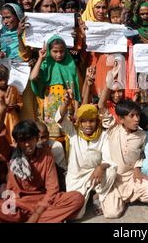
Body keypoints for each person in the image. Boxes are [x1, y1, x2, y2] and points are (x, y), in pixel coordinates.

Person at [0, 120, 84, 223]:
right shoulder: (11, 153)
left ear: (36, 138)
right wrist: (2, 112)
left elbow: (52, 190)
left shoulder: (46, 155)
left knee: (77, 198)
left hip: (42, 203)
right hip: (17, 204)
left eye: (30, 139)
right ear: (17, 142)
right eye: (22, 141)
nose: (27, 144)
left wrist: (37, 214)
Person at [97, 62, 148, 218]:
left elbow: (141, 155)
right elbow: (101, 105)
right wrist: (108, 83)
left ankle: (123, 198)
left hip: (131, 177)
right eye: (132, 116)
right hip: (114, 179)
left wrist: (138, 169)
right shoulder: (113, 128)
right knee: (112, 214)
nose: (136, 119)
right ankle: (112, 197)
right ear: (122, 119)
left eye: (137, 115)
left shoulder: (142, 135)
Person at [56, 85, 117, 219]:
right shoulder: (73, 132)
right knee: (76, 215)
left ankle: (97, 195)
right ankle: (85, 197)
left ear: (97, 121)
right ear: (79, 122)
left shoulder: (103, 135)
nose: (88, 125)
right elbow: (60, 119)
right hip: (76, 176)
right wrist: (65, 104)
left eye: (92, 121)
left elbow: (108, 159)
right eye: (84, 121)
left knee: (111, 170)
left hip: (95, 174)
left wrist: (101, 167)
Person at [30, 36, 81, 138]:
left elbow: (75, 89)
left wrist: (76, 110)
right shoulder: (46, 64)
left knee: (68, 134)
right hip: (50, 104)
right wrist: (40, 58)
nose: (59, 54)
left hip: (67, 102)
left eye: (62, 51)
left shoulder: (70, 65)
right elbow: (33, 77)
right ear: (49, 51)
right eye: (55, 51)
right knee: (52, 135)